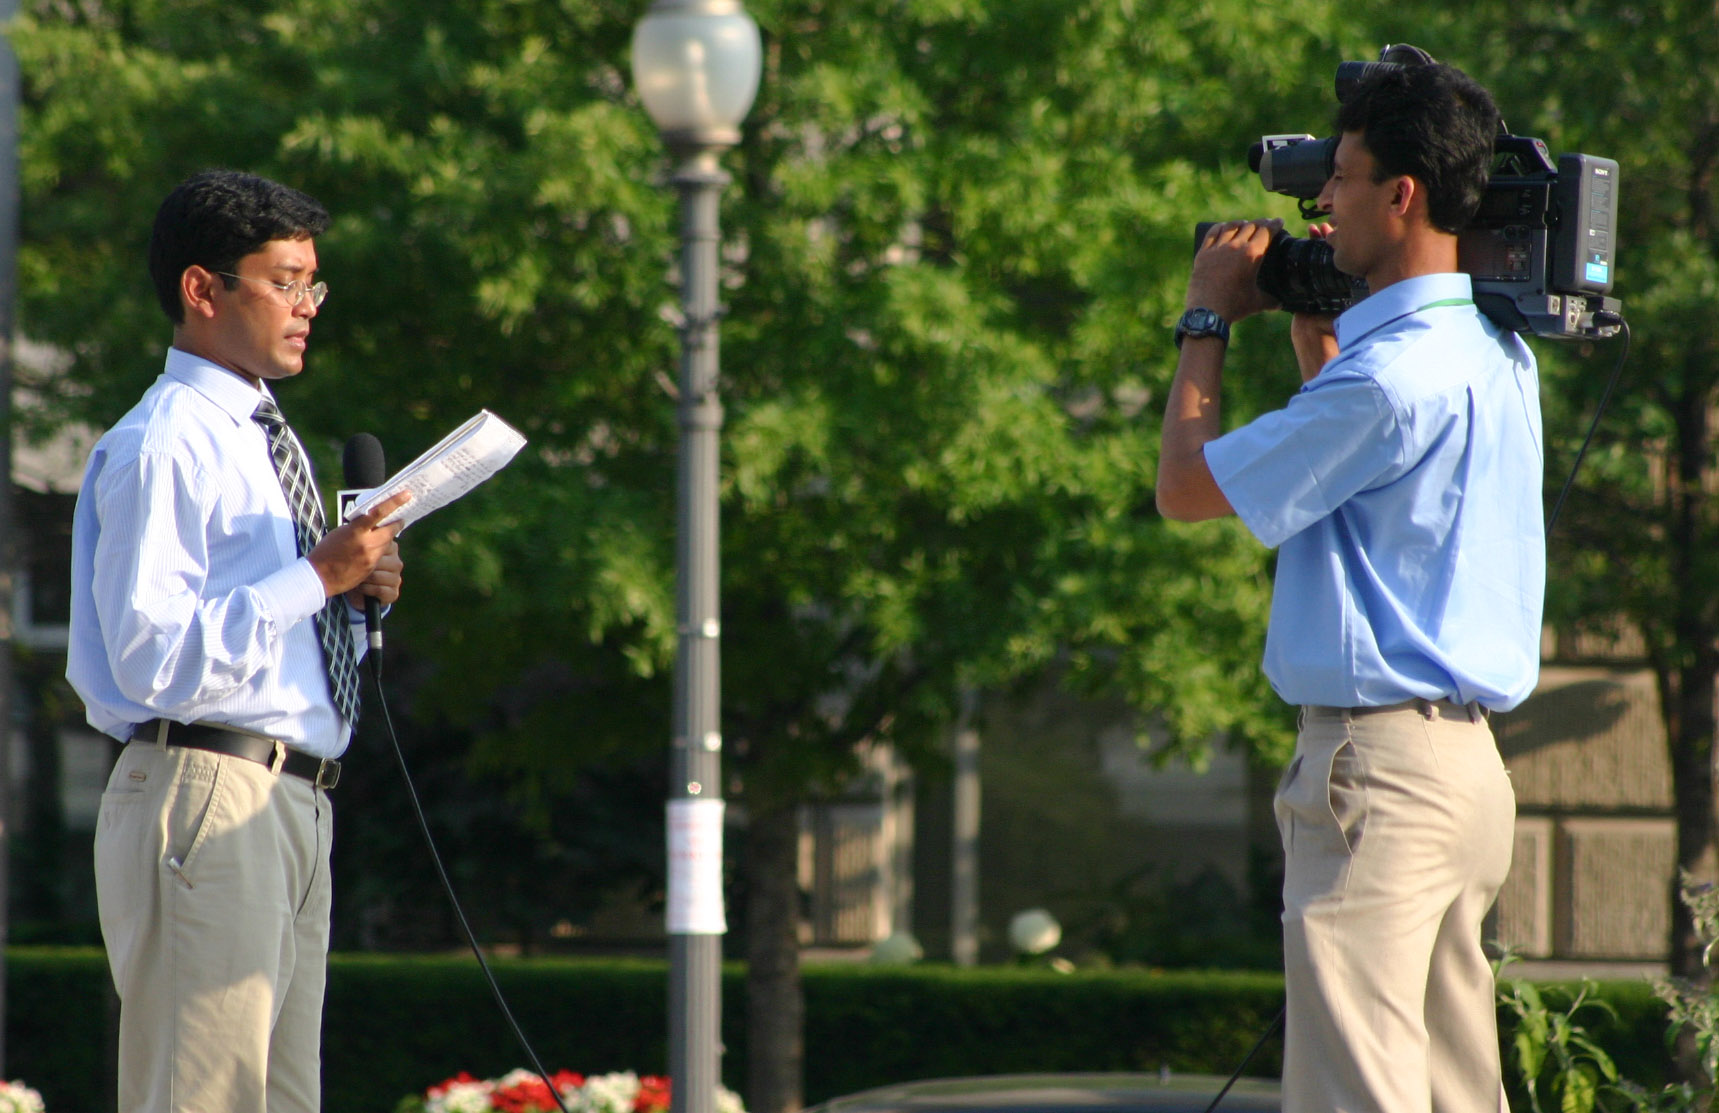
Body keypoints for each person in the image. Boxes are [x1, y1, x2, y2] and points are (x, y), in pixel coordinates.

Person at [1156, 63, 1543, 1113]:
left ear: (1402, 196)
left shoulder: (1387, 379)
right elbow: (1365, 468)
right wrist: (1314, 331)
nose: (1322, 200)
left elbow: (1187, 489)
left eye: (1343, 177)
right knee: (1453, 1093)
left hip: (1377, 770)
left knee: (1352, 1096)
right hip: (1464, 774)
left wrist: (1205, 320)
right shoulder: (1494, 350)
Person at [67, 169, 411, 1113]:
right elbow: (153, 658)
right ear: (202, 288)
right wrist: (318, 576)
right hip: (206, 786)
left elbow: (268, 630)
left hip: (293, 796)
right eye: (285, 280)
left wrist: (350, 595)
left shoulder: (267, 436)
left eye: (314, 284)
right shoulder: (166, 441)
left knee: (280, 1099)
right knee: (203, 1098)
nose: (306, 307)